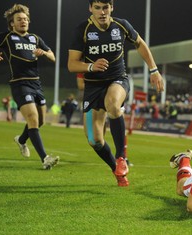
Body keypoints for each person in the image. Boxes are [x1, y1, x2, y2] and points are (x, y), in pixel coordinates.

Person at [67, 0, 164, 186]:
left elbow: (140, 43)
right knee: (95, 140)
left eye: (105, 7)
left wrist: (153, 70)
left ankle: (121, 157)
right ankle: (116, 170)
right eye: (97, 8)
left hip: (117, 79)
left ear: (112, 7)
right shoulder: (82, 30)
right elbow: (72, 64)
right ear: (90, 9)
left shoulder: (121, 25)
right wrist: (91, 66)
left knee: (113, 104)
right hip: (93, 86)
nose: (102, 12)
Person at [0, 4, 59, 170]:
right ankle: (45, 158)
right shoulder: (6, 37)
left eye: (25, 19)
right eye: (19, 19)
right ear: (12, 23)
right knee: (32, 118)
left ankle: (21, 140)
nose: (23, 21)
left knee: (41, 121)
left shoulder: (35, 39)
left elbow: (53, 56)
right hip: (19, 83)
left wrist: (43, 53)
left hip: (36, 83)